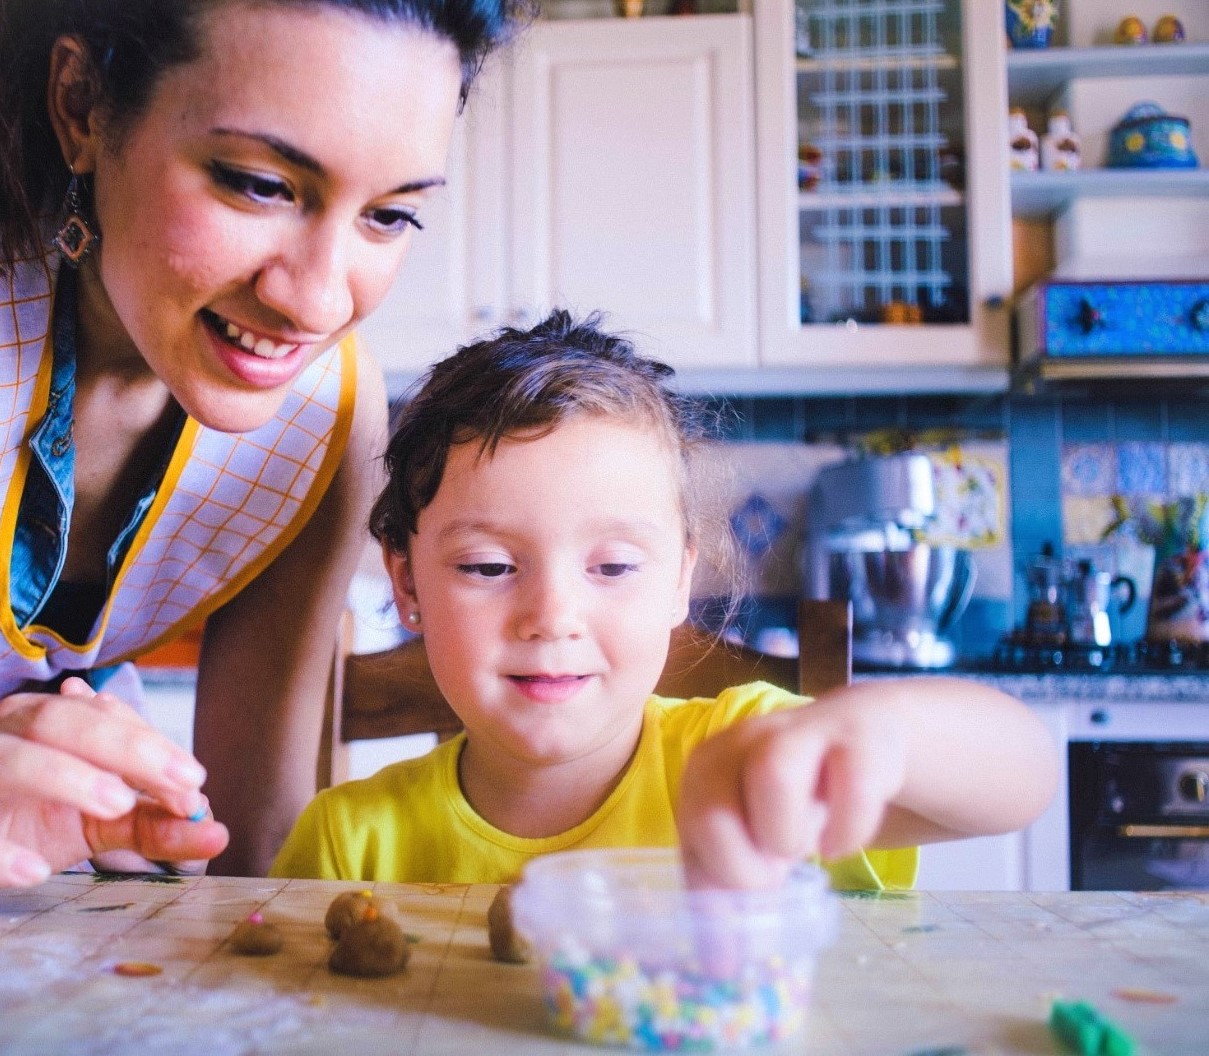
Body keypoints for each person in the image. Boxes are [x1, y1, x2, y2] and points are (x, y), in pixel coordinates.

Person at [0, 0, 529, 927]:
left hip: (38, 912)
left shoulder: (329, 418)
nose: (316, 297)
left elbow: (258, 850)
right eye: (258, 183)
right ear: (82, 106)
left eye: (388, 216)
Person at [269, 310, 1060, 889]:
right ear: (406, 584)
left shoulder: (749, 756)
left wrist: (875, 733)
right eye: (486, 566)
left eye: (612, 567)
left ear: (679, 581)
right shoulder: (349, 842)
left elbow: (1022, 778)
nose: (551, 617)